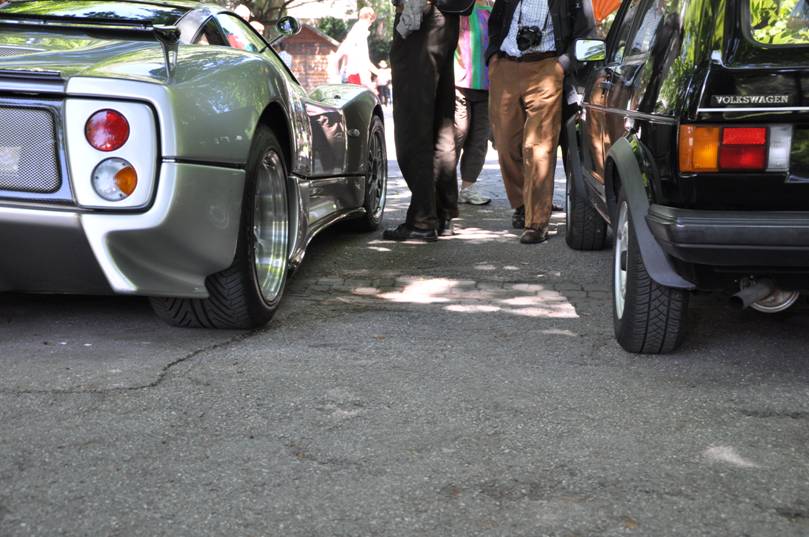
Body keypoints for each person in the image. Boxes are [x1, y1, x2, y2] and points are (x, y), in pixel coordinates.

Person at [487, 0, 594, 243]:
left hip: (547, 67)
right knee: (505, 145)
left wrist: (562, 66)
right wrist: (493, 57)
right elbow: (496, 22)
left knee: (538, 147)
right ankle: (522, 204)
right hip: (506, 66)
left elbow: (586, 34)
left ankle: (537, 222)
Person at [383, 0, 463, 242]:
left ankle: (423, 220)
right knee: (440, 124)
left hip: (420, 17)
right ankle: (441, 214)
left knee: (413, 124)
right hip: (445, 17)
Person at [454, 0, 494, 206]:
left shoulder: (495, 8)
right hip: (458, 82)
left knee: (479, 141)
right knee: (457, 134)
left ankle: (467, 188)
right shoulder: (459, 5)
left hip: (487, 85)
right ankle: (444, 186)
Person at [335, 7, 378, 92]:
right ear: (370, 17)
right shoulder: (360, 28)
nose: (371, 24)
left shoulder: (358, 29)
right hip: (357, 75)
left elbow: (365, 60)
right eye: (371, 21)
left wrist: (378, 72)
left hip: (356, 75)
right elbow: (360, 58)